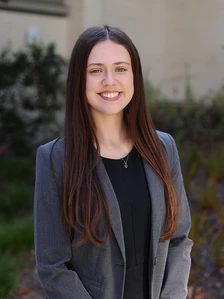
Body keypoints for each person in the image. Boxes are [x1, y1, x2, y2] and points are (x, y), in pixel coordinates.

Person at [34, 25, 193, 299]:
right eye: (96, 70)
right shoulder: (55, 159)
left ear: (134, 76)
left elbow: (179, 239)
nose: (110, 80)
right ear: (79, 79)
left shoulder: (163, 148)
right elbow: (53, 267)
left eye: (120, 68)